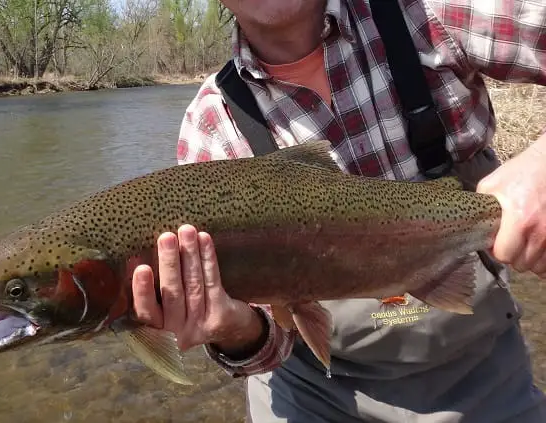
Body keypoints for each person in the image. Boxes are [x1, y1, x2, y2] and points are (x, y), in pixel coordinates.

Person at [130, 0, 546, 421]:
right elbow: (268, 349)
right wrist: (236, 332)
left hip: (478, 368)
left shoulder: (427, 13)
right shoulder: (211, 127)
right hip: (317, 391)